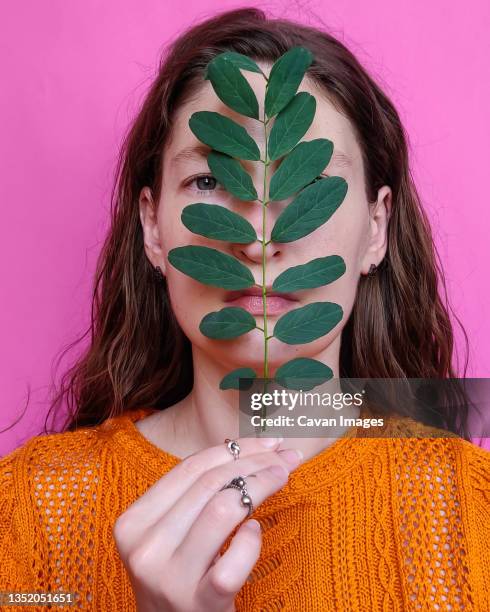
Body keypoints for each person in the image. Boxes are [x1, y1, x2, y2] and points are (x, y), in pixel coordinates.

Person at [1, 7, 489, 611]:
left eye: (308, 184)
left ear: (377, 229)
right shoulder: (35, 510)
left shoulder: (468, 511)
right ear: (153, 227)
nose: (258, 235)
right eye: (210, 181)